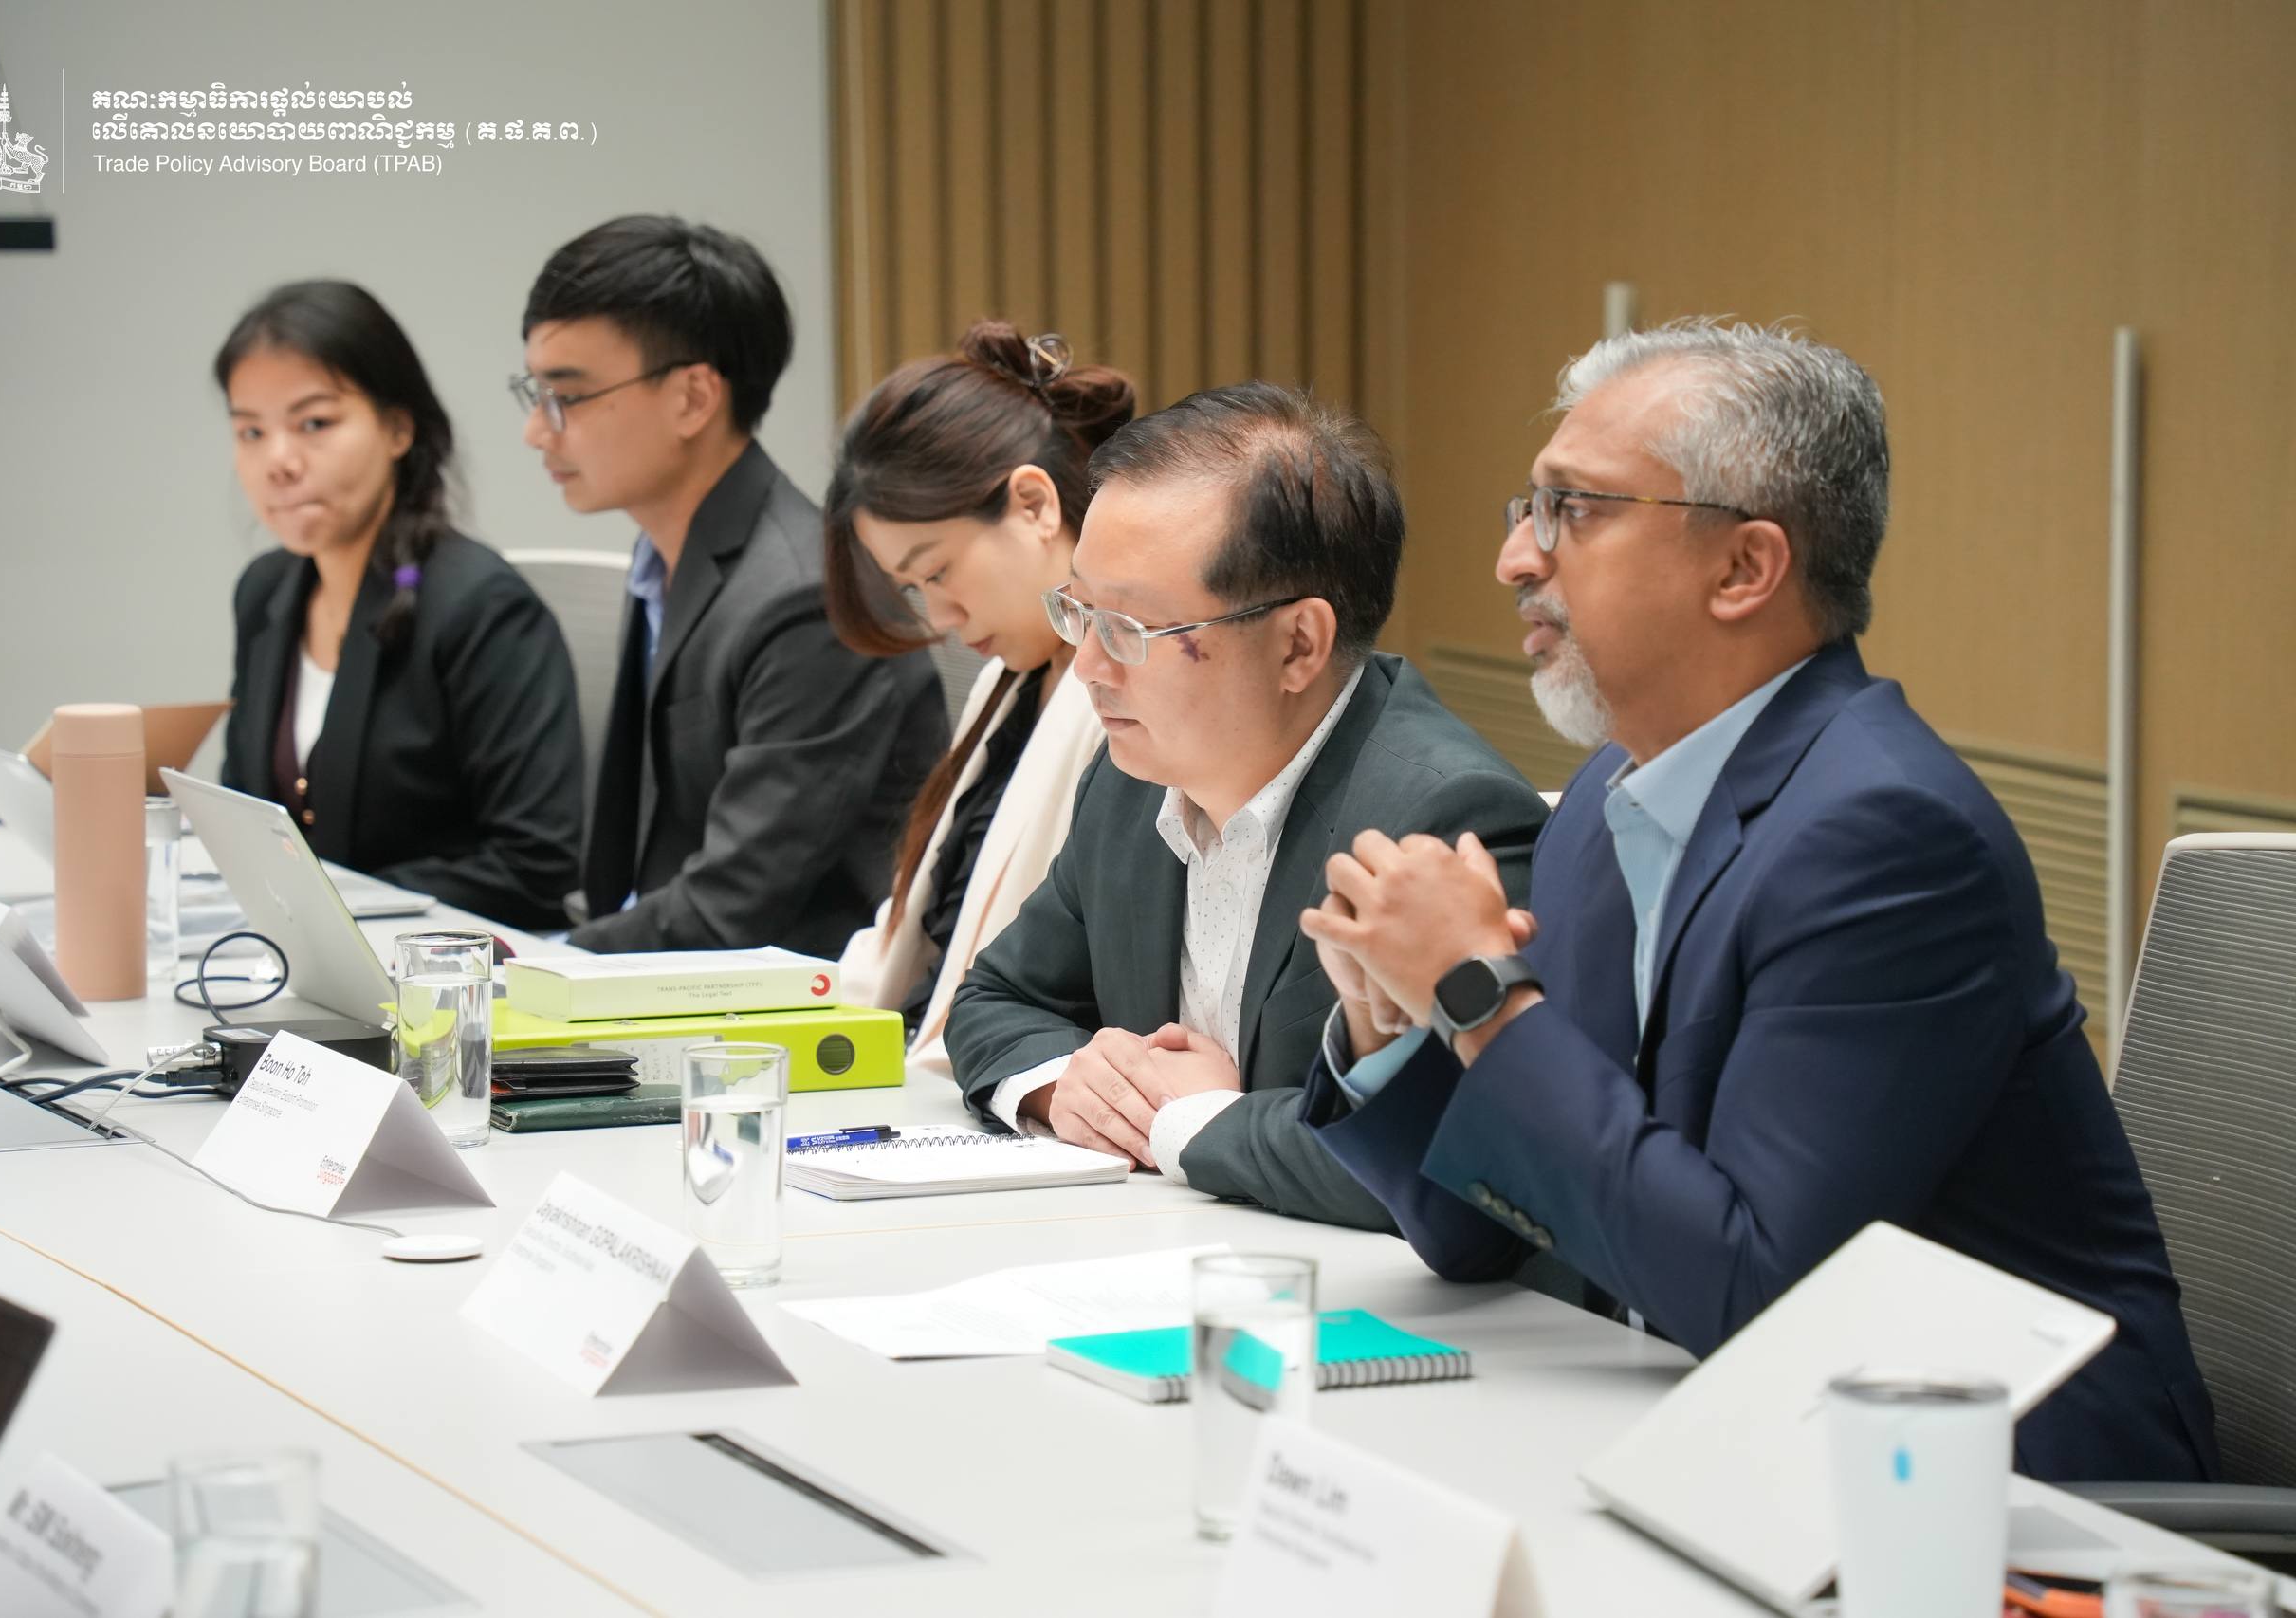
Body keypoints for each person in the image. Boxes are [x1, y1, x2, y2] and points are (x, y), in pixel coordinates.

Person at [1298, 319, 2219, 1481]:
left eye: (1573, 509)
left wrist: (1479, 995)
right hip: (1741, 1442)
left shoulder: (1884, 837)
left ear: (1743, 568)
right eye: (1527, 508)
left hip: (2004, 1488)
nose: (1517, 558)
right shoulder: (1607, 801)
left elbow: (1760, 1295)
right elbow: (1483, 1232)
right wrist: (1393, 1023)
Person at [947, 383, 1547, 1227]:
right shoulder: (1134, 776)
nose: (1086, 666)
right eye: (1080, 610)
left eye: (1130, 628)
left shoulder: (1445, 823)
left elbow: (1448, 1160)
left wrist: (1188, 1121)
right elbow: (995, 999)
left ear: (1298, 644)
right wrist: (1069, 1086)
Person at [517, 214, 948, 954]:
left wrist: (542, 968)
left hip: (792, 999)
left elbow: (734, 903)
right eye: (534, 393)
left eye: (569, 396)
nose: (537, 430)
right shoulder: (666, 559)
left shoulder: (806, 597)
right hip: (679, 975)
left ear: (692, 398)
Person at [218, 279, 582, 930]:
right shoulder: (266, 592)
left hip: (441, 967)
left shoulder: (480, 606)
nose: (278, 461)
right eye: (250, 431)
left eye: (314, 423)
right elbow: (246, 818)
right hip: (298, 959)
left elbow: (535, 866)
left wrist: (329, 907)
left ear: (397, 428)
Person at [822, 322, 1133, 1083]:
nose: (939, 617)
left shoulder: (1131, 697)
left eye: (937, 571)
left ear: (1033, 504)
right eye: (912, 589)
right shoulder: (1011, 680)